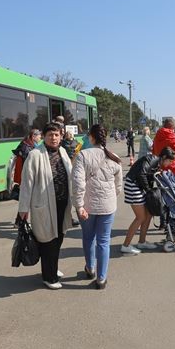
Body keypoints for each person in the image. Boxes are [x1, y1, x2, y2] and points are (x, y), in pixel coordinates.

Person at [18, 122, 74, 290]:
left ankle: (52, 268)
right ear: (44, 136)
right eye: (50, 135)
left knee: (58, 238)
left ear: (61, 136)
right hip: (44, 205)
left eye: (57, 135)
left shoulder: (63, 151)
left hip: (62, 204)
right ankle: (49, 277)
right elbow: (26, 184)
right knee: (48, 241)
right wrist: (23, 209)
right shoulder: (35, 155)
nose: (54, 138)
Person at [71, 124, 122, 289]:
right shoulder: (114, 157)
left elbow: (78, 183)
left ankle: (90, 268)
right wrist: (110, 198)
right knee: (104, 241)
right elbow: (118, 186)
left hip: (87, 206)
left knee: (88, 238)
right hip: (108, 206)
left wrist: (79, 205)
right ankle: (101, 278)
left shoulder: (83, 155)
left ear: (91, 137)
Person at [121, 147, 175, 253]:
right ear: (164, 157)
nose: (169, 164)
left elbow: (148, 177)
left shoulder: (157, 164)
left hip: (139, 187)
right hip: (133, 186)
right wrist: (149, 191)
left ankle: (142, 242)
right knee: (140, 217)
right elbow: (141, 174)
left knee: (148, 215)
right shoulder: (151, 159)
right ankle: (125, 245)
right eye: (169, 161)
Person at [152, 117, 175, 186]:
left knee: (162, 193)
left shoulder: (157, 135)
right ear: (172, 126)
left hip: (159, 169)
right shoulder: (172, 136)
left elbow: (153, 151)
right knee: (172, 193)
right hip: (171, 170)